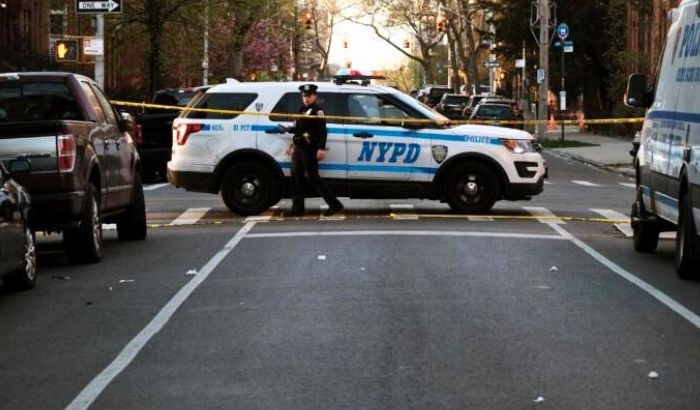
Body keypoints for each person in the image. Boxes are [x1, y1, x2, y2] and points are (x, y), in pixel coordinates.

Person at [281, 84, 343, 217]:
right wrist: (291, 139)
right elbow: (299, 130)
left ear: (315, 96)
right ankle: (297, 208)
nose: (306, 98)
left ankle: (335, 204)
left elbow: (322, 131)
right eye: (304, 96)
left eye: (309, 96)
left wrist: (321, 149)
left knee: (314, 178)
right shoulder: (301, 109)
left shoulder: (318, 111)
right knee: (296, 178)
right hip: (299, 149)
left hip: (309, 149)